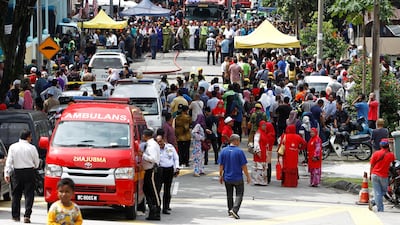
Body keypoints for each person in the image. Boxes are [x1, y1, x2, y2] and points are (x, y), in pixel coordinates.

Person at [4, 129, 40, 223]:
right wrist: (35, 166)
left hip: (17, 172)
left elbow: (9, 161)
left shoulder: (13, 147)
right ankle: (27, 215)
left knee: (16, 195)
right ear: (28, 137)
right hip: (29, 172)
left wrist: (7, 173)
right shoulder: (32, 148)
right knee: (29, 194)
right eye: (30, 136)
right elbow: (36, 162)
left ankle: (15, 216)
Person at [218, 134, 251, 219]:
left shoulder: (223, 151)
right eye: (239, 140)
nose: (239, 142)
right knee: (239, 194)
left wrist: (220, 175)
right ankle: (235, 210)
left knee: (229, 194)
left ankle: (230, 210)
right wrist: (248, 176)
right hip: (237, 177)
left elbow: (221, 165)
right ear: (235, 141)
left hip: (227, 177)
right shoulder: (239, 152)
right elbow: (244, 166)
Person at [369, 138, 396, 212]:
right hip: (383, 176)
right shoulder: (391, 155)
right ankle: (380, 209)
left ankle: (373, 201)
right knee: (383, 192)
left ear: (381, 146)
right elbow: (394, 163)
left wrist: (370, 174)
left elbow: (372, 165)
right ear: (388, 146)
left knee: (378, 192)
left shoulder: (376, 153)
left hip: (374, 174)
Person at [155, 135, 180, 215]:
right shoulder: (155, 149)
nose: (159, 144)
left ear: (163, 140)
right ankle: (157, 206)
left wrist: (177, 168)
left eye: (160, 141)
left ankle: (166, 207)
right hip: (160, 170)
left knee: (167, 189)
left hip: (169, 170)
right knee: (158, 189)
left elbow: (176, 158)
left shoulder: (170, 147)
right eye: (158, 142)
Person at [141, 129, 161, 220]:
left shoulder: (152, 145)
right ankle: (152, 209)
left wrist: (143, 155)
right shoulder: (149, 144)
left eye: (143, 135)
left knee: (153, 191)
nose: (142, 137)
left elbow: (153, 159)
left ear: (146, 136)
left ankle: (156, 212)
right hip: (148, 171)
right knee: (146, 189)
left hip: (152, 170)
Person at [253, 121, 275, 185]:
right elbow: (256, 142)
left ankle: (262, 181)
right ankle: (258, 181)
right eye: (263, 125)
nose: (264, 127)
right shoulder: (258, 133)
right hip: (260, 152)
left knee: (263, 167)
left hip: (264, 152)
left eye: (265, 125)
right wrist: (258, 151)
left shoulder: (264, 133)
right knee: (259, 166)